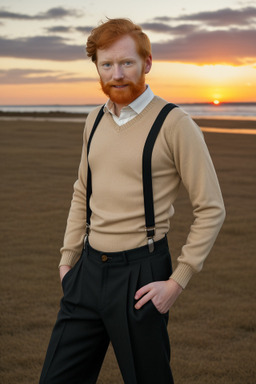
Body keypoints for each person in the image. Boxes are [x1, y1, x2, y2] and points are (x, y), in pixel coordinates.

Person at [39, 18, 225, 384]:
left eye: (127, 63)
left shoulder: (175, 124)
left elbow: (211, 207)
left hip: (142, 275)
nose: (117, 73)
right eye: (107, 64)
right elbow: (82, 190)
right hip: (86, 273)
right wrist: (67, 263)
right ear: (97, 68)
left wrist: (177, 281)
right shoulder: (93, 120)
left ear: (147, 63)